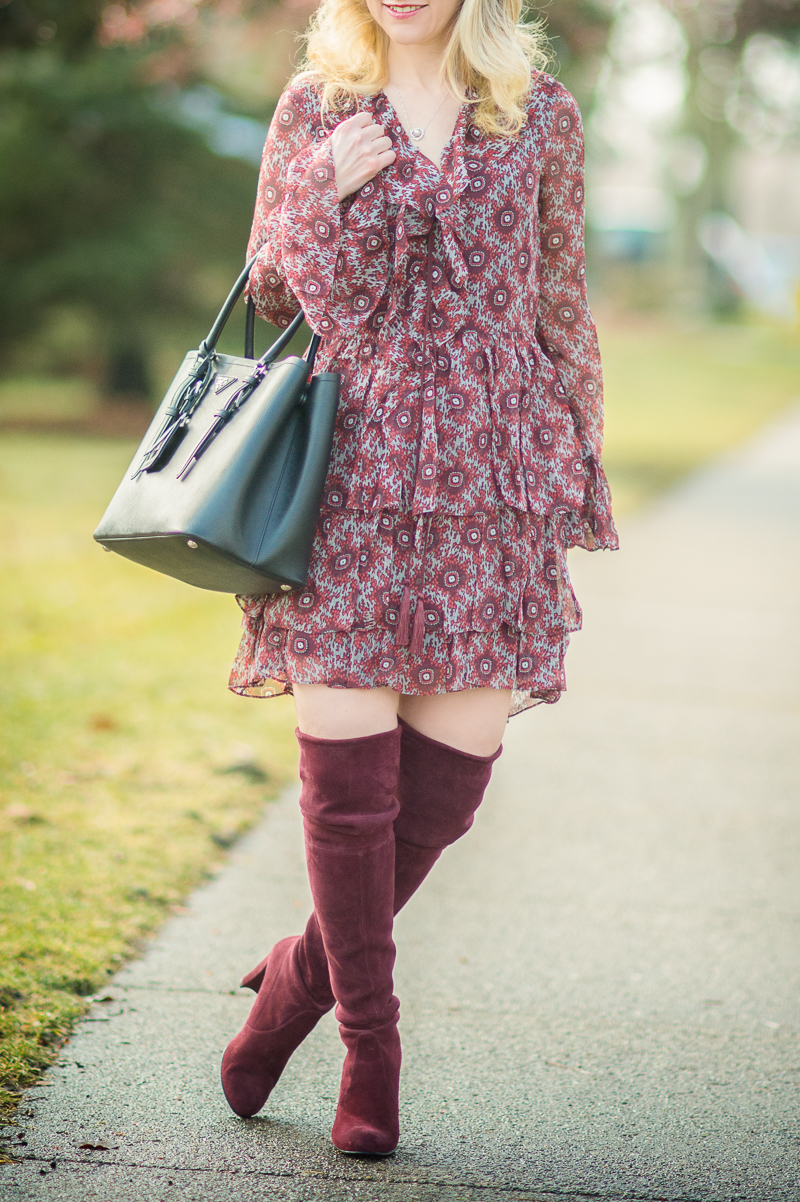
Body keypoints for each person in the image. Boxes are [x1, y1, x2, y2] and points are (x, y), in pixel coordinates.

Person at [221, 0, 617, 1157]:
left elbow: (555, 299)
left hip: (488, 478)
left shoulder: (540, 113)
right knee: (349, 794)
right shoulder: (318, 105)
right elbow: (268, 294)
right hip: (343, 473)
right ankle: (368, 1046)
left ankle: (297, 973)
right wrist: (320, 188)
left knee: (447, 788)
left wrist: (576, 457)